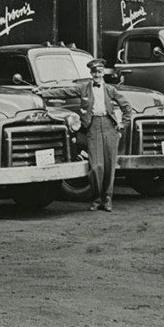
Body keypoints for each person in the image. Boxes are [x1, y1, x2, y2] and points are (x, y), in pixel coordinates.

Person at [36, 59, 132, 212]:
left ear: (103, 73)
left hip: (109, 127)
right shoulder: (84, 88)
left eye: (99, 72)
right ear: (90, 73)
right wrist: (43, 93)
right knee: (95, 166)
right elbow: (64, 92)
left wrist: (122, 124)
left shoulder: (110, 90)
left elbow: (127, 107)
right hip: (92, 126)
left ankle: (107, 199)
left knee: (109, 165)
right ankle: (97, 199)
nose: (96, 75)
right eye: (94, 72)